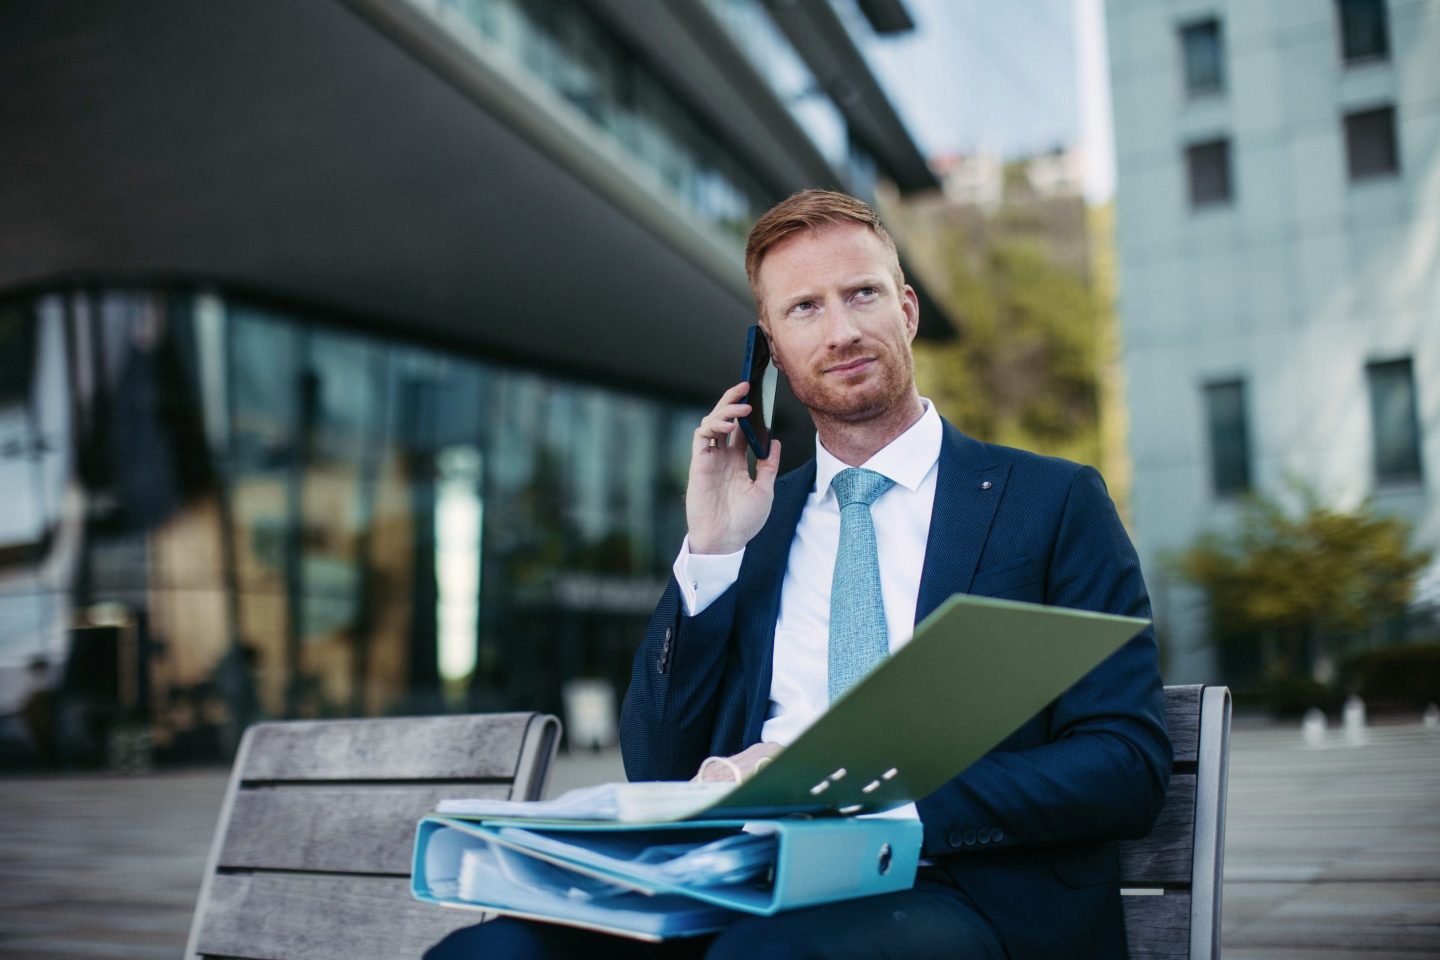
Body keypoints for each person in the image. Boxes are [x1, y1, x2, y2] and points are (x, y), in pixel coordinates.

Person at [425, 190, 1170, 959]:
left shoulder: (1050, 503)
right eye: (805, 309)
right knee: (485, 955)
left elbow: (1128, 762)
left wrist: (876, 804)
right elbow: (658, 765)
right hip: (739, 880)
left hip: (958, 887)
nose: (842, 331)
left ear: (907, 310)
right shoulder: (756, 524)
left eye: (862, 295)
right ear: (772, 351)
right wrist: (710, 553)